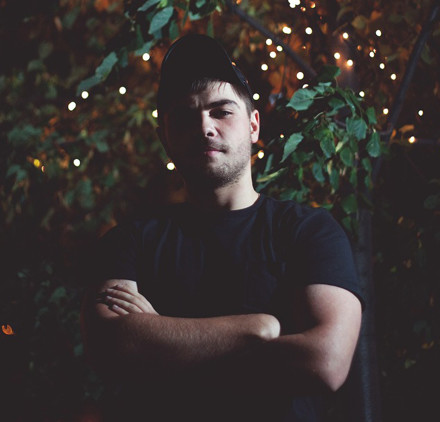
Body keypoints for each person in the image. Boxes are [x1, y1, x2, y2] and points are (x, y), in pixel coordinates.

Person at [81, 34, 363, 422]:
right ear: (165, 138)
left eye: (221, 111)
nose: (204, 127)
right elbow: (110, 349)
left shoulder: (309, 231)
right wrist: (256, 327)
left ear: (253, 125)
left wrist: (160, 336)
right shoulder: (130, 241)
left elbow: (326, 362)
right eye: (184, 117)